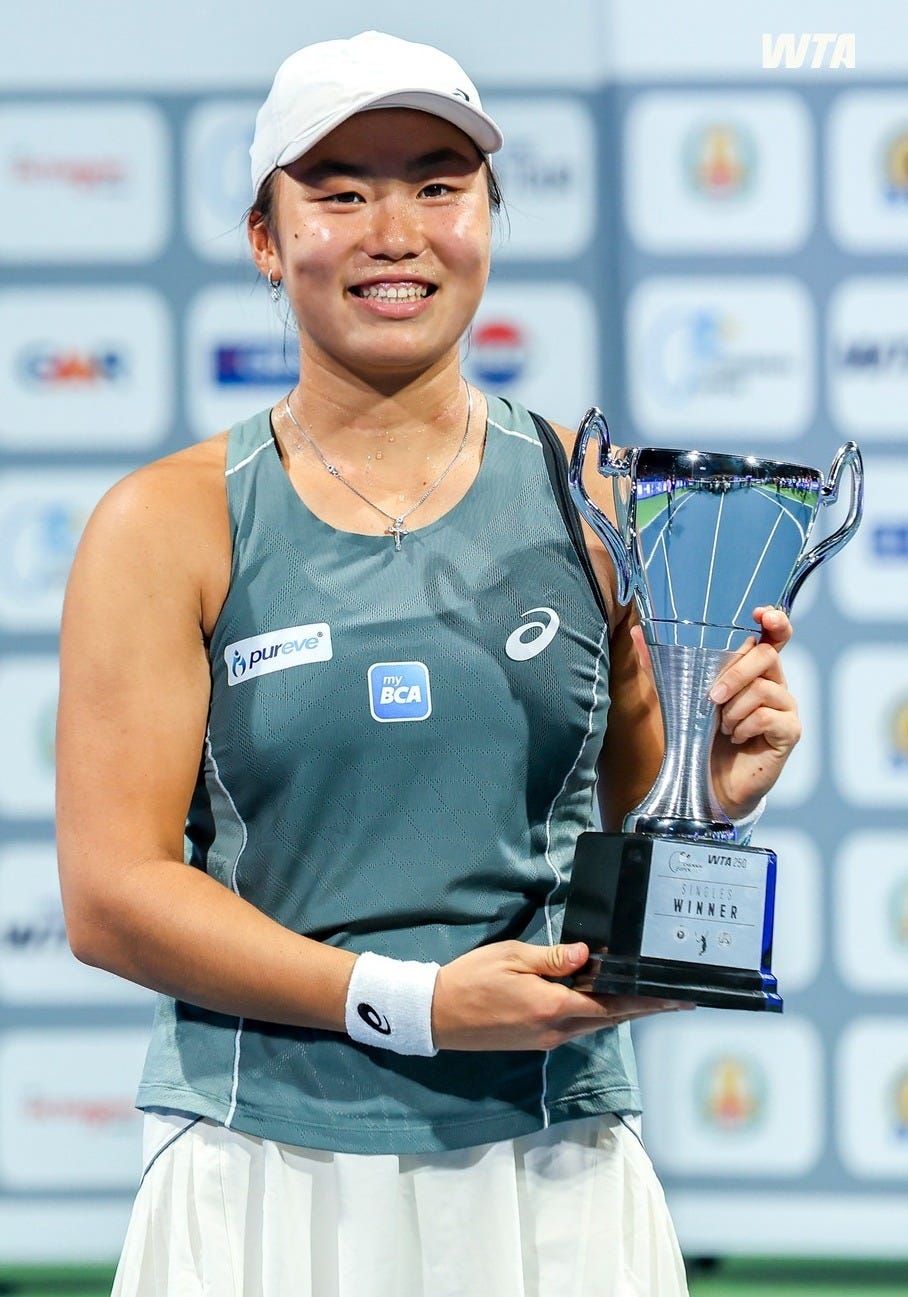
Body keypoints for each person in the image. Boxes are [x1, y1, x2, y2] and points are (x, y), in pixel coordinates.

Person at [56, 30, 802, 1297]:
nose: (392, 229)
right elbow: (113, 895)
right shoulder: (167, 521)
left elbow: (622, 819)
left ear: (488, 221)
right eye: (339, 190)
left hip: (551, 1162)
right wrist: (411, 1000)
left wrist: (714, 792)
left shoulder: (599, 502)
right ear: (263, 236)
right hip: (263, 1169)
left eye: (437, 183)